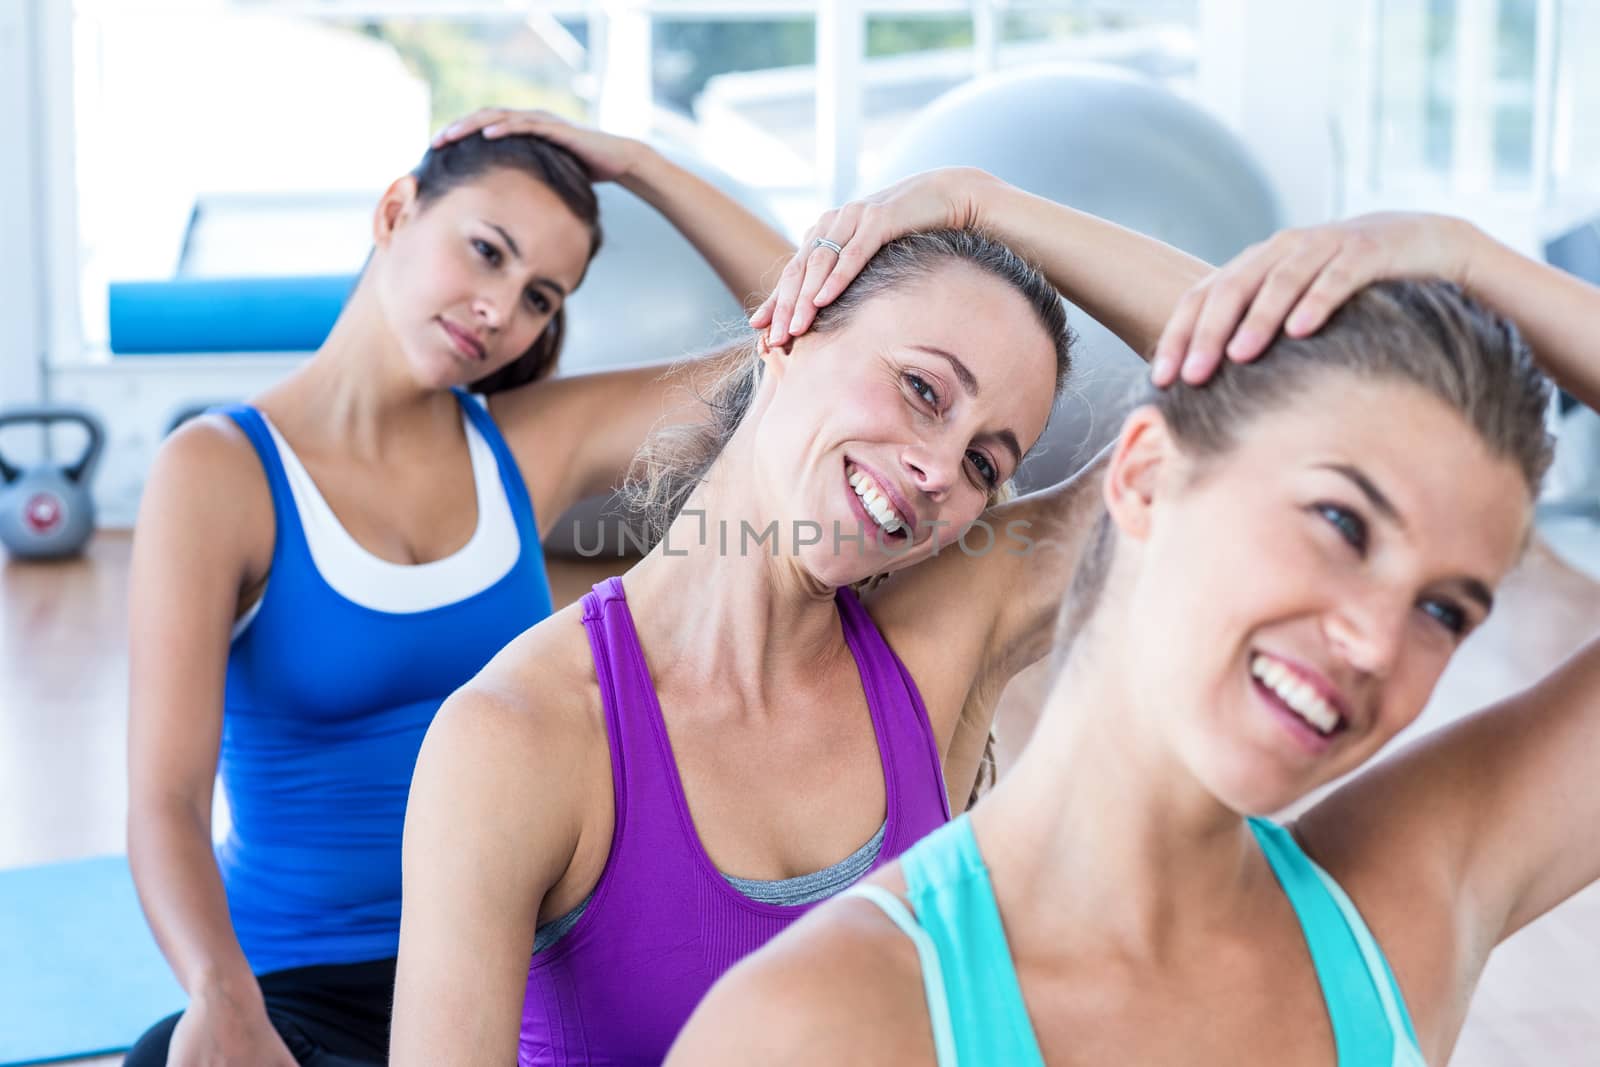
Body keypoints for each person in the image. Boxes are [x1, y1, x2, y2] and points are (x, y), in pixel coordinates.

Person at [667, 210, 1600, 1066]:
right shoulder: (814, 1028)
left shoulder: (1402, 910)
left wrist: (1463, 255)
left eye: (1444, 610)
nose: (1374, 641)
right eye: (1342, 523)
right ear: (1146, 476)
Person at [390, 163, 1229, 1065]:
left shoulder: (940, 640)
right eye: (922, 390)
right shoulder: (519, 736)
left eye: (986, 462)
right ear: (789, 326)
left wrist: (983, 201)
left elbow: (1267, 394)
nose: (942, 470)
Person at [123, 108, 793, 1067]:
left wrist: (640, 166)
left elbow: (808, 350)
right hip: (306, 997)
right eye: (486, 252)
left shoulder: (524, 442)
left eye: (539, 297)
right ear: (397, 209)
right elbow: (166, 801)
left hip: (527, 967)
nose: (502, 308)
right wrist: (221, 997)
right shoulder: (219, 473)